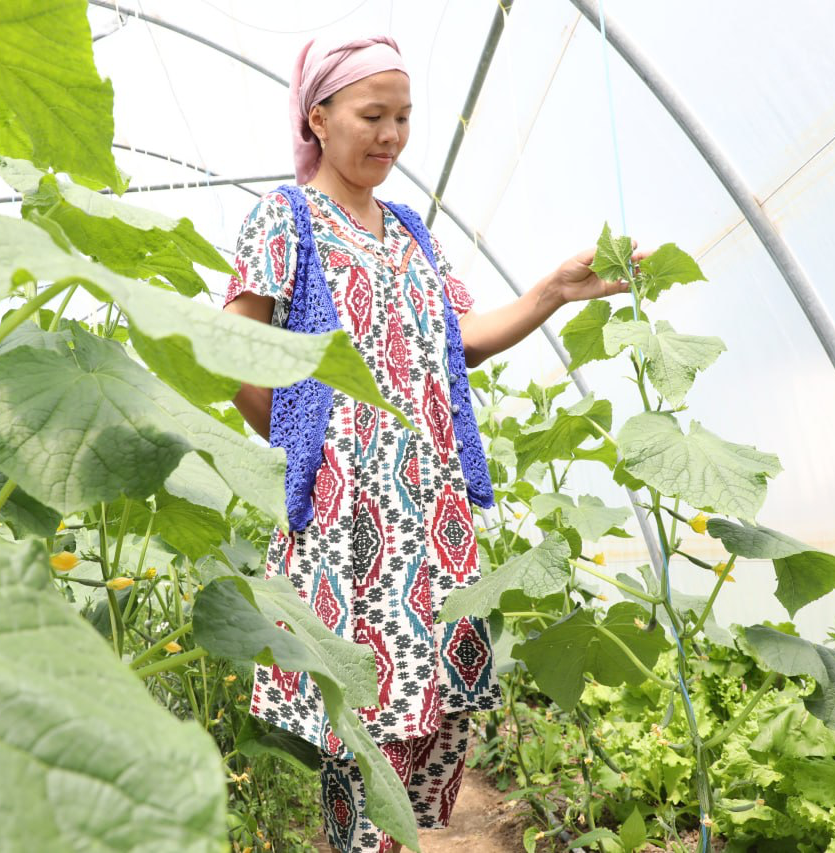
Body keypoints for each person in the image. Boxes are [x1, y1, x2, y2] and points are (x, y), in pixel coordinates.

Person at [222, 35, 642, 853]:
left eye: (404, 118)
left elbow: (465, 339)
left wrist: (554, 290)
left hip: (430, 505)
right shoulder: (288, 217)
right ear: (320, 117)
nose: (392, 135)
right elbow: (234, 346)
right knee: (359, 718)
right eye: (373, 115)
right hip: (349, 514)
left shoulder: (411, 230)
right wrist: (306, 442)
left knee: (434, 710)